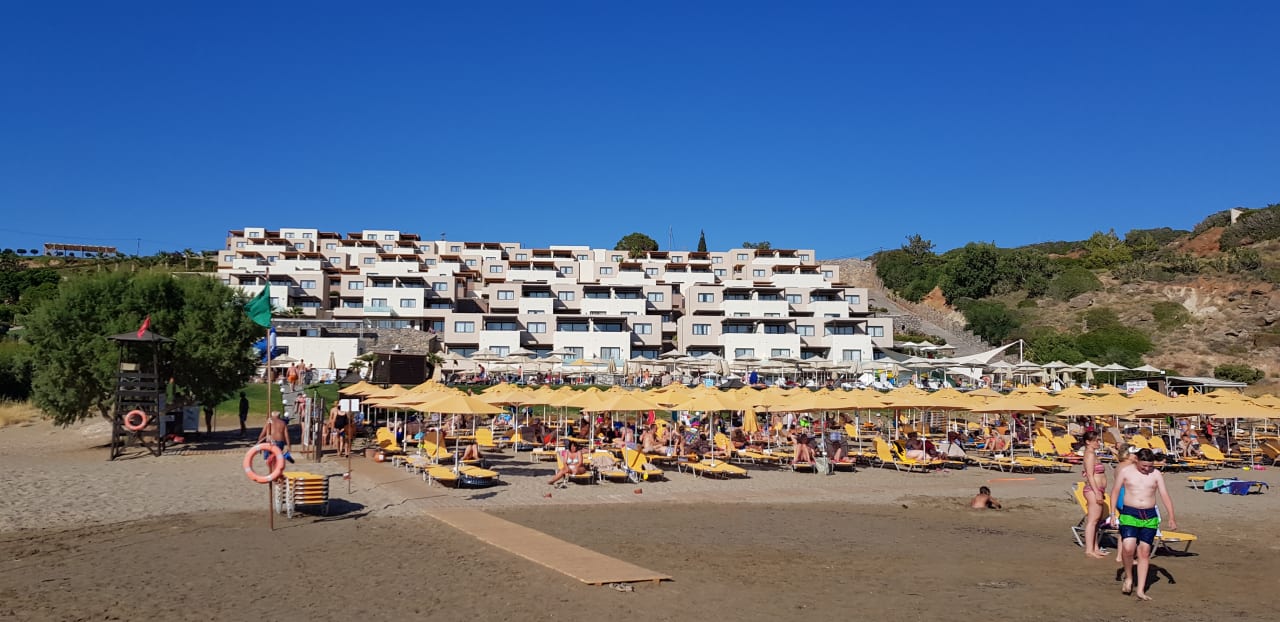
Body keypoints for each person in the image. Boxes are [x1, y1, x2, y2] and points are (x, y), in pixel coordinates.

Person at [1110, 448, 1178, 601]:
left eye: (1149, 466)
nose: (1147, 469)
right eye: (1144, 466)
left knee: (1144, 552)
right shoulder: (1126, 471)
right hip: (1129, 513)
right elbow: (1114, 491)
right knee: (1128, 548)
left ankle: (1140, 590)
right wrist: (1113, 514)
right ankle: (1129, 577)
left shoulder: (1156, 474)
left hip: (1149, 516)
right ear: (1136, 460)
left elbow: (1164, 495)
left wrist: (1171, 517)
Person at [1080, 430, 1108, 559]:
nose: (1098, 442)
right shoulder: (1090, 454)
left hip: (1097, 489)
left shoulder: (1092, 454)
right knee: (1092, 520)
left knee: (1097, 521)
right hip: (1093, 490)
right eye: (1096, 440)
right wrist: (1097, 492)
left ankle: (1095, 547)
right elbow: (1090, 475)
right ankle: (1089, 550)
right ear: (1088, 442)